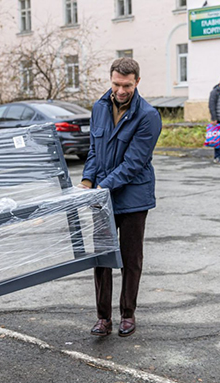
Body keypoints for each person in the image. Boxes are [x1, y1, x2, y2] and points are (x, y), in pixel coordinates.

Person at [78, 58, 161, 338]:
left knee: (130, 258)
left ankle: (128, 313)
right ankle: (103, 318)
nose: (120, 90)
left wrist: (101, 186)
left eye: (126, 85)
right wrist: (87, 181)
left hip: (133, 197)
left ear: (137, 82)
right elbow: (94, 150)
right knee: (101, 258)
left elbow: (133, 163)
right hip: (102, 197)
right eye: (116, 84)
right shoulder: (100, 107)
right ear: (110, 80)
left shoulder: (148, 116)